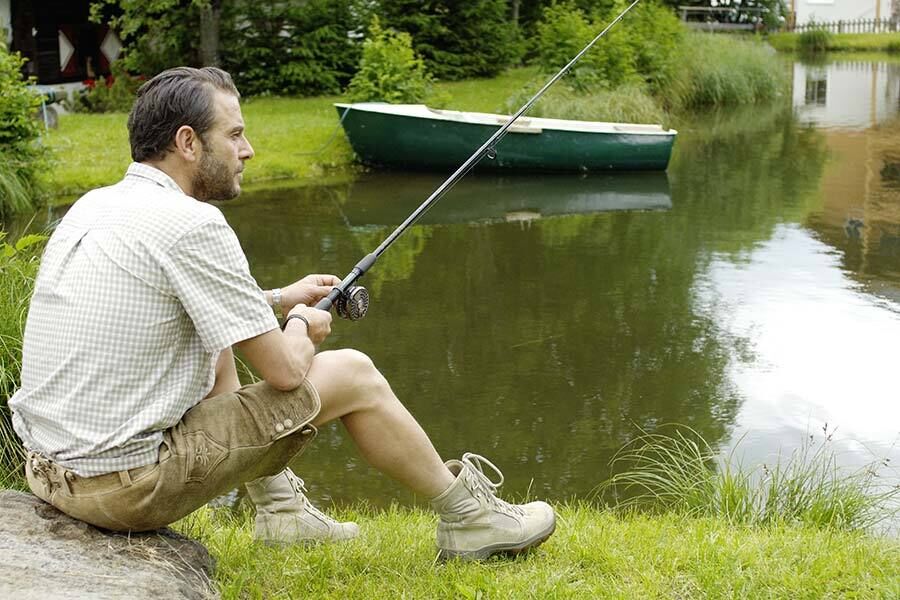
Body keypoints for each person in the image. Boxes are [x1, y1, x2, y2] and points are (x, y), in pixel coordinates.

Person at [9, 66, 555, 561]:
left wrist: (276, 299)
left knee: (217, 340)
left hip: (51, 474)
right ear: (187, 143)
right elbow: (287, 372)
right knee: (354, 373)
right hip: (123, 489)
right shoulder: (192, 223)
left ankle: (283, 514)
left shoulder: (96, 204)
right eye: (235, 134)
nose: (248, 149)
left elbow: (175, 304)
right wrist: (302, 323)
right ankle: (471, 520)